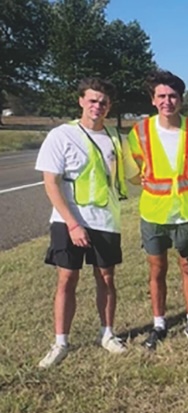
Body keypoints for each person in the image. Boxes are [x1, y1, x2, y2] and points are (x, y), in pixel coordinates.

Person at [36, 77, 129, 368]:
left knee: (106, 278)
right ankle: (60, 342)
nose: (97, 106)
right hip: (68, 221)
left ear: (109, 106)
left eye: (103, 102)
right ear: (81, 101)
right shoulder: (61, 135)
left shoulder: (115, 137)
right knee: (67, 278)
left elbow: (135, 174)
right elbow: (51, 183)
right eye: (92, 100)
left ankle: (108, 334)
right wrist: (73, 224)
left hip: (105, 219)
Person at [126, 70, 188, 350]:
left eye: (172, 96)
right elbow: (131, 167)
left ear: (181, 100)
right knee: (157, 269)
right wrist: (138, 179)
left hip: (186, 212)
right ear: (153, 100)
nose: (167, 101)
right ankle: (159, 324)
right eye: (161, 96)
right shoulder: (139, 132)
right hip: (154, 213)